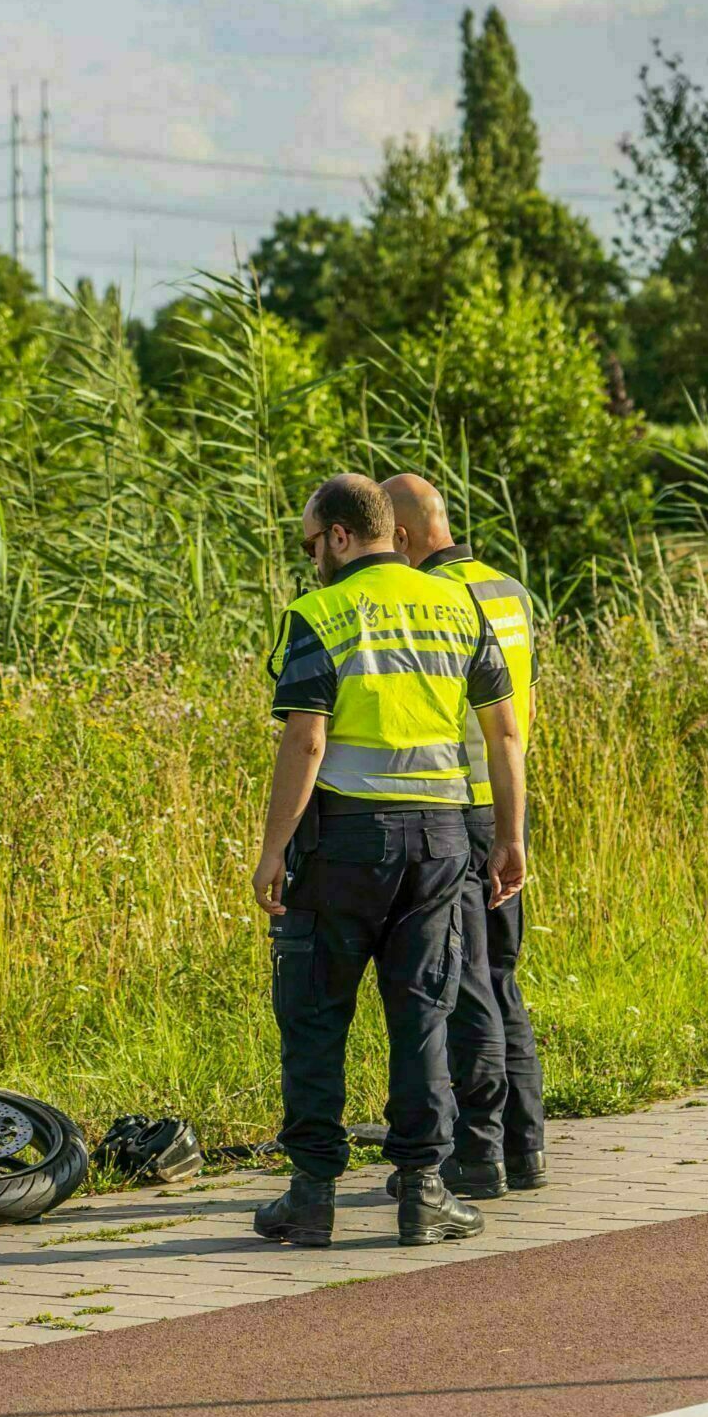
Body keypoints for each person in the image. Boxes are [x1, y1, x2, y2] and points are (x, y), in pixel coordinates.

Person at [250, 473, 529, 1248]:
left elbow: (306, 739)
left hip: (344, 840)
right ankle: (424, 1190)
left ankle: (311, 1196)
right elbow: (503, 733)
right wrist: (511, 835)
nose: (309, 559)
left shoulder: (320, 612)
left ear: (340, 535)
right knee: (423, 1013)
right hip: (442, 838)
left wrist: (273, 849)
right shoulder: (457, 605)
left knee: (314, 1013)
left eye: (311, 543)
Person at [382, 473, 546, 1199]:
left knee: (467, 981)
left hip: (456, 804)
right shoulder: (509, 588)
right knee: (504, 977)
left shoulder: (439, 600)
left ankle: (477, 1154)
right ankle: (526, 1145)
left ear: (407, 538)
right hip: (507, 804)